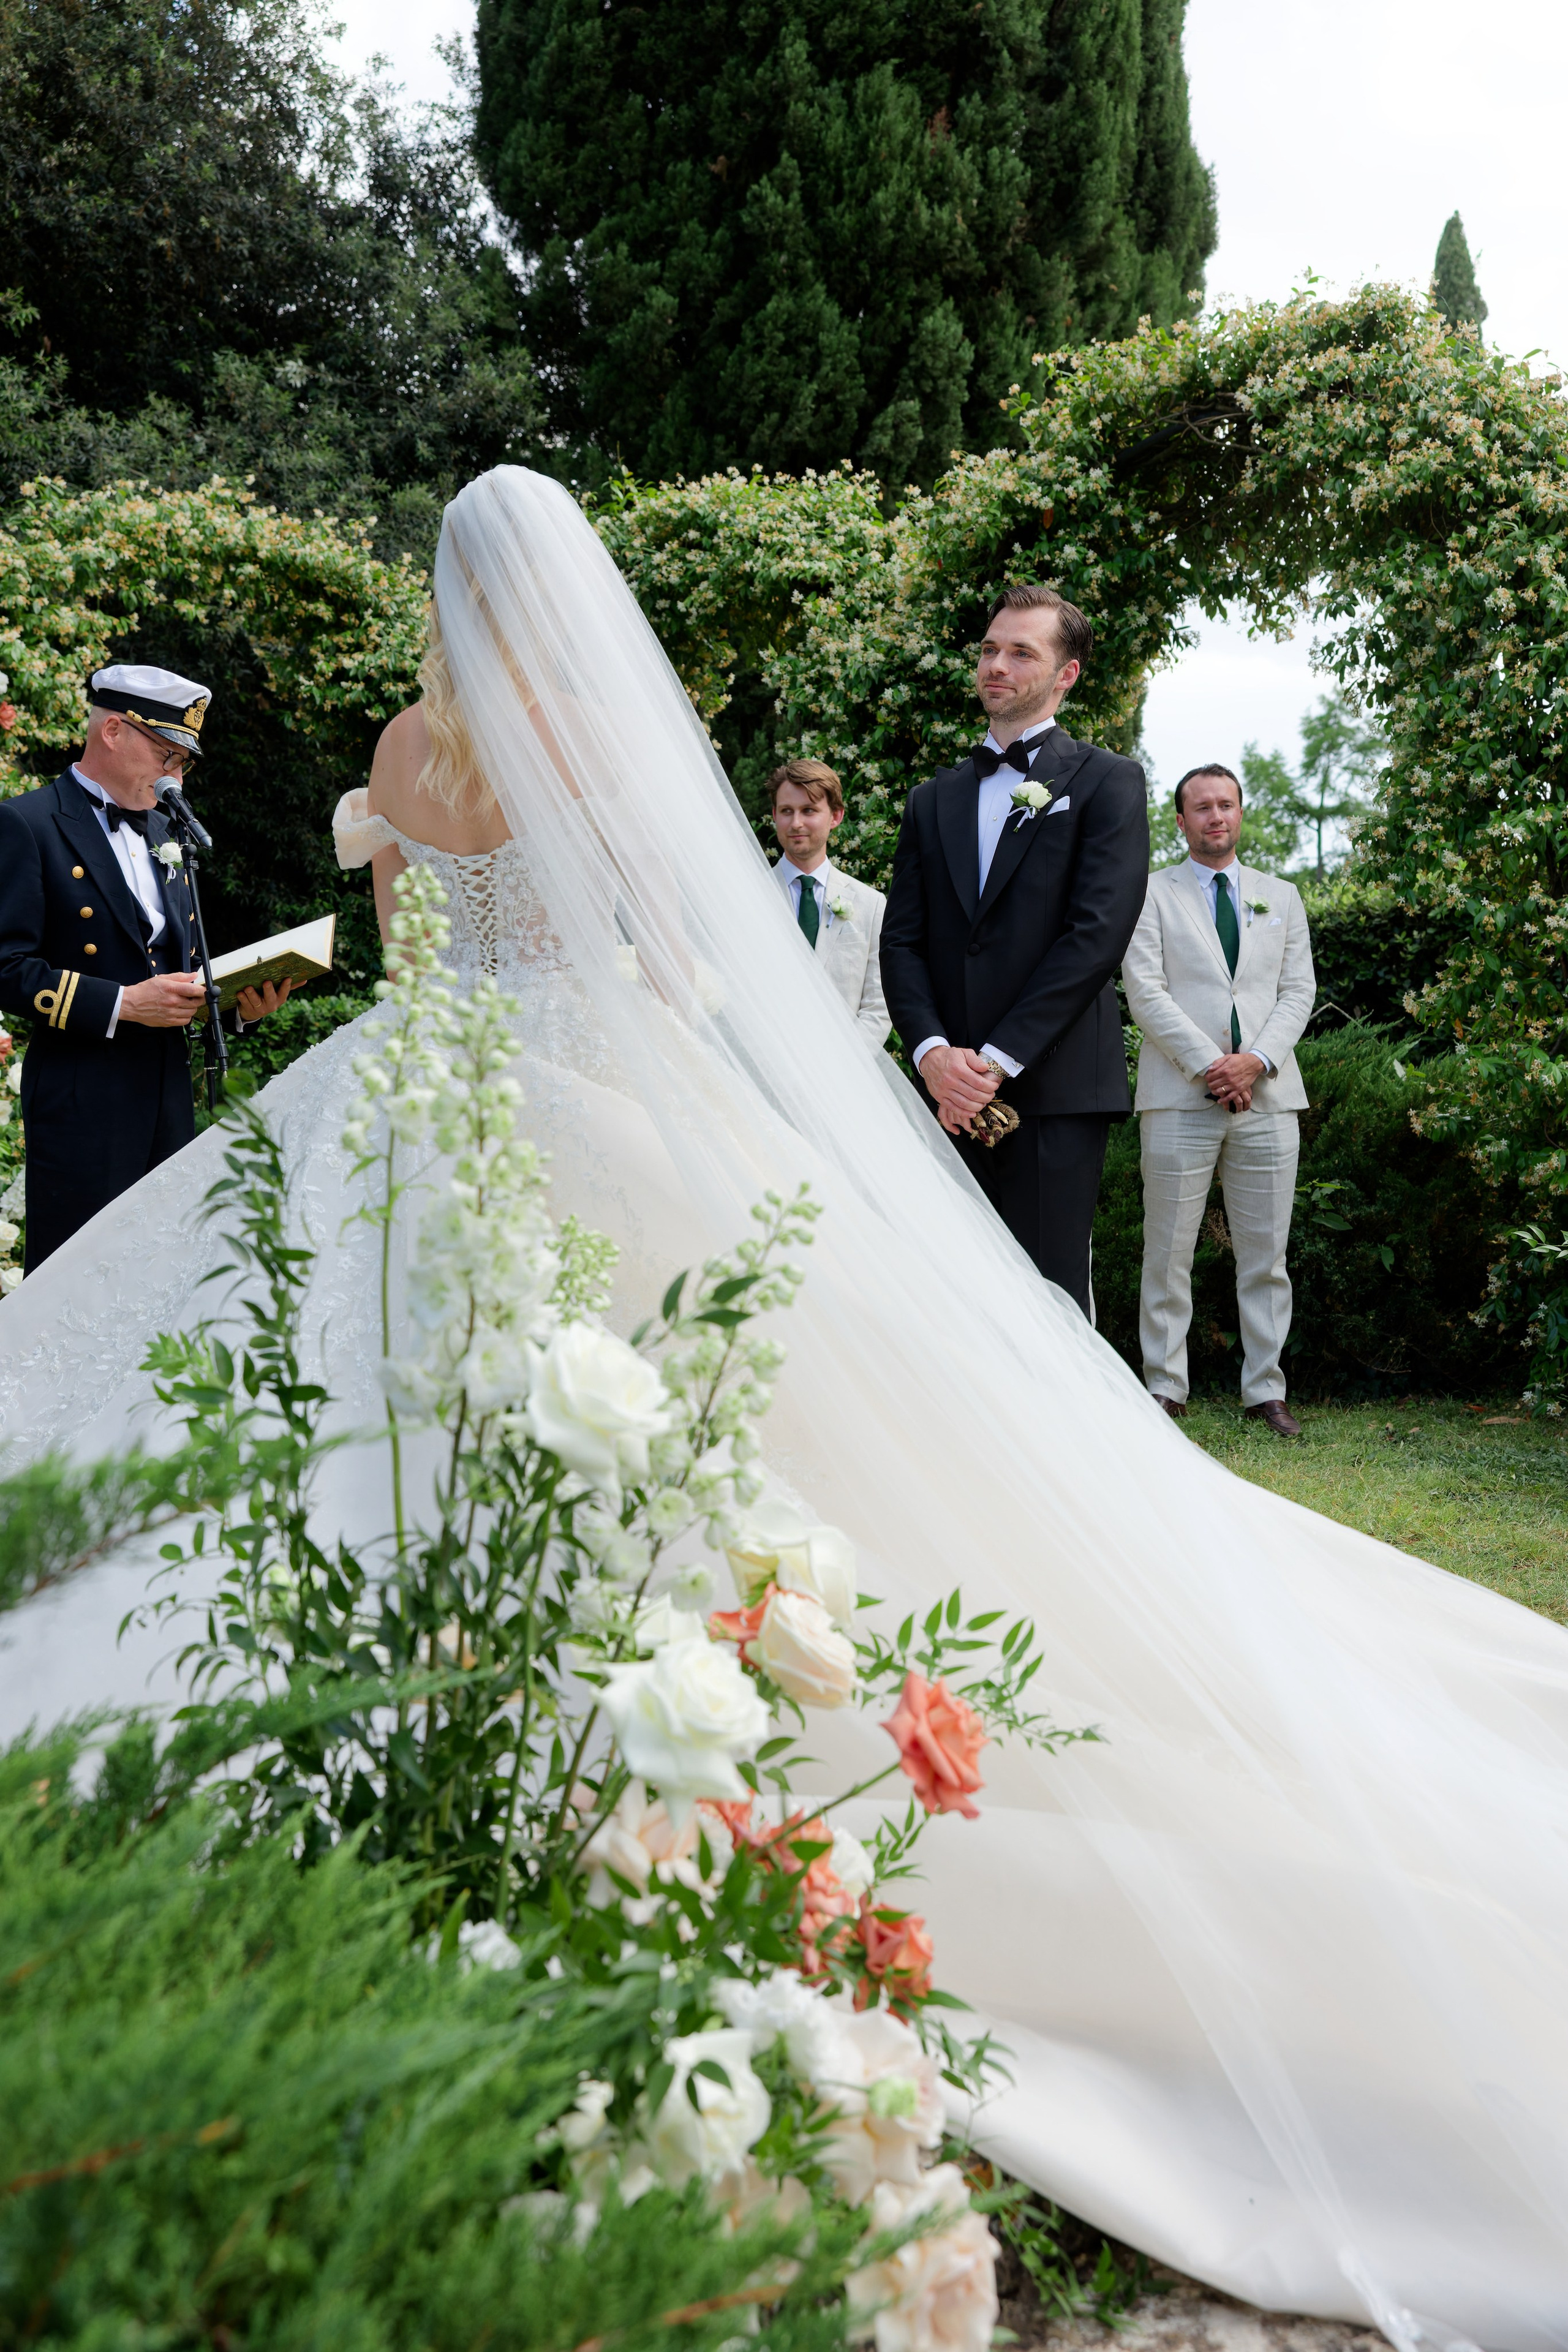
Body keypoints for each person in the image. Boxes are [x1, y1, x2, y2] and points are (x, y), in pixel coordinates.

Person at [4, 472, 1568, 2348]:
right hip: (582, 1087)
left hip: (422, 1092)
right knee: (702, 1394)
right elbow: (653, 953)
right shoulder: (585, 725)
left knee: (381, 1385)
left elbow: (424, 949)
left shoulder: (406, 743)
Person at [879, 586, 1148, 1316]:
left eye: (1021, 652)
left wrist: (993, 1063)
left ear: (1066, 675)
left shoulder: (1107, 782)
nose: (997, 664)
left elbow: (1095, 937)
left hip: (1054, 1088)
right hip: (944, 1094)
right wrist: (934, 1054)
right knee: (945, 1294)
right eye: (990, 649)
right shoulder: (930, 798)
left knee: (1047, 1300)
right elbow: (901, 941)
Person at [0, 665, 293, 1271]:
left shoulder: (167, 832)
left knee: (155, 1286)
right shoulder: (25, 824)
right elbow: (6, 968)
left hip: (167, 1092)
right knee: (76, 1282)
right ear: (112, 731)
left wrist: (237, 1009)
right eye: (167, 756)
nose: (175, 777)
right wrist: (123, 1004)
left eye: (183, 763)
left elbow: (177, 964)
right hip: (83, 1097)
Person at [1123, 764, 1316, 1436]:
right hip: (1179, 1097)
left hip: (1268, 1098)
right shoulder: (1148, 896)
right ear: (1179, 821)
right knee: (1167, 1250)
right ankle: (1164, 1387)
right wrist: (1212, 1065)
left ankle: (1265, 1389)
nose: (1215, 817)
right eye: (1200, 807)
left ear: (1241, 812)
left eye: (1225, 805)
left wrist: (1254, 1062)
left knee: (1266, 1256)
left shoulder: (1280, 896)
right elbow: (1144, 992)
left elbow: (1297, 992)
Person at [769, 758, 890, 1046]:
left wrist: (843, 1066)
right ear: (774, 815)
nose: (796, 823)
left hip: (844, 1074)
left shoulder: (870, 905)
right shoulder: (748, 895)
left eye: (808, 810)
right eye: (787, 811)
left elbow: (878, 1006)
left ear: (835, 816)